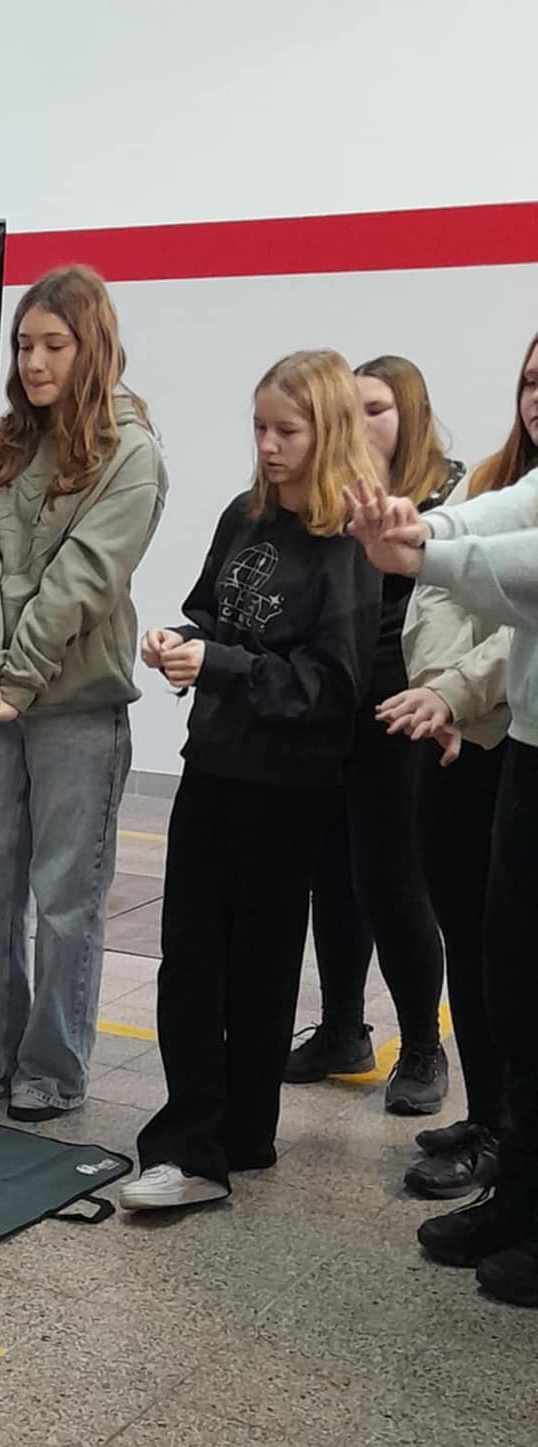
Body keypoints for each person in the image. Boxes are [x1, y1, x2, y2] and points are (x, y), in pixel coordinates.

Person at [119, 349, 380, 1212]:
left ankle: (227, 1140)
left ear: (327, 432)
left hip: (289, 786)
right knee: (192, 957)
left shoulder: (346, 545)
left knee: (258, 968)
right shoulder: (246, 514)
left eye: (287, 432)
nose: (268, 446)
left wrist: (221, 665)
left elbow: (331, 689)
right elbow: (211, 612)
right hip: (216, 764)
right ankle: (200, 1138)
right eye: (261, 428)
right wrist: (179, 643)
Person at [0, 266, 168, 1121]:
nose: (33, 362)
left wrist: (14, 681)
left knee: (67, 897)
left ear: (91, 347)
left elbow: (83, 582)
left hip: (78, 709)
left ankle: (52, 1069)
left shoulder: (130, 453)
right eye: (24, 345)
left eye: (54, 345)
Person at [344, 431, 538, 1305]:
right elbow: (512, 510)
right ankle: (519, 1198)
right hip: (528, 744)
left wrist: (426, 550)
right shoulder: (509, 481)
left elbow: (522, 559)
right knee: (514, 989)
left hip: (510, 737)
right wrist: (427, 528)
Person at [375, 332, 535, 1201]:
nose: (536, 398)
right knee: (476, 951)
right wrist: (437, 686)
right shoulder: (495, 486)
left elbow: (513, 617)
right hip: (447, 737)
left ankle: (511, 1139)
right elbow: (437, 591)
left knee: (512, 959)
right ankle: (492, 1117)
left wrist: (456, 693)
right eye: (529, 382)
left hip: (503, 738)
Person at [284, 356, 460, 1112]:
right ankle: (342, 1030)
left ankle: (422, 1045)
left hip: (405, 705)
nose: (359, 425)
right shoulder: (332, 500)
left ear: (410, 415)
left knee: (392, 879)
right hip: (335, 701)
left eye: (377, 409)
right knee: (332, 874)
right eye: (349, 411)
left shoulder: (447, 499)